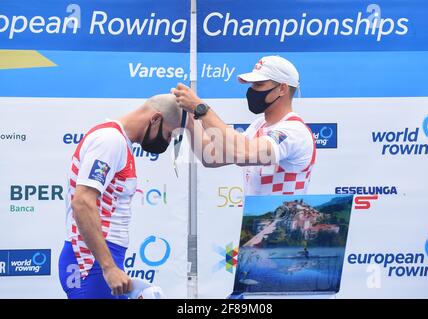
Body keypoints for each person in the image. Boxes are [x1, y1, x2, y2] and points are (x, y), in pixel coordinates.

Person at [58, 94, 181, 299]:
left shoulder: (119, 142)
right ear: (155, 119)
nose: (167, 142)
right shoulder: (110, 141)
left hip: (102, 258)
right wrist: (108, 267)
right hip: (90, 261)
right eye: (169, 135)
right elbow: (82, 202)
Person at [171, 55, 316, 196]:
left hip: (288, 219)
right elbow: (210, 156)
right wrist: (189, 120)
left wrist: (201, 109)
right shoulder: (259, 125)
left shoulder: (294, 131)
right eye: (252, 85)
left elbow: (241, 153)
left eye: (259, 84)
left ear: (282, 89)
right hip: (260, 219)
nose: (252, 90)